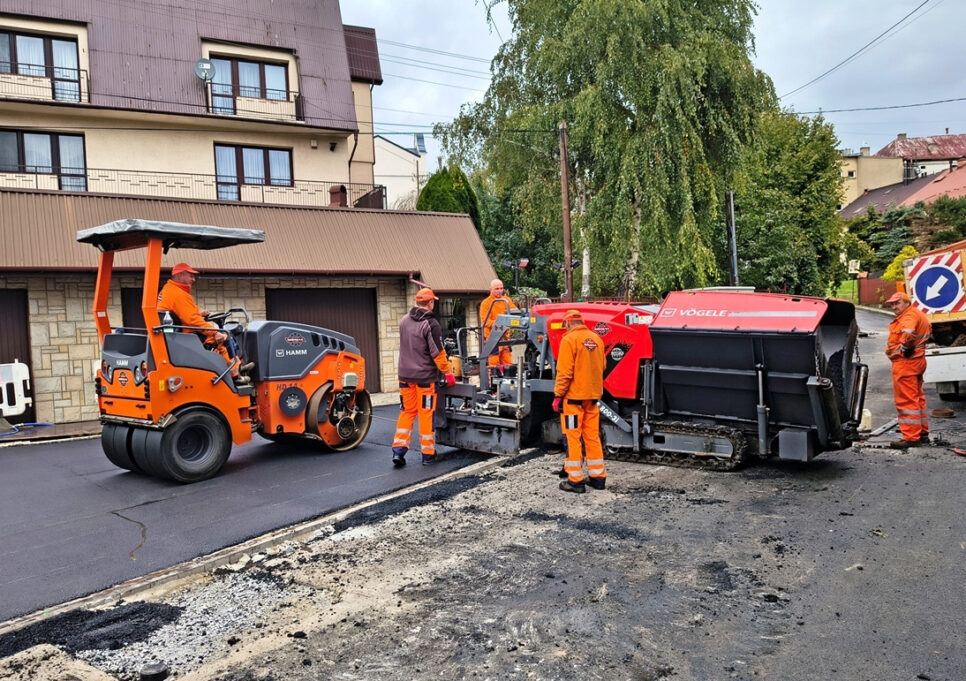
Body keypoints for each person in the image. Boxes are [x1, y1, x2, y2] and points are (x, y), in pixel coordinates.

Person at [392, 287, 456, 467]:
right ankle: (428, 454)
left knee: (407, 412)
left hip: (405, 377)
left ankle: (398, 451)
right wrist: (448, 373)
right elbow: (438, 354)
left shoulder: (404, 320)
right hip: (425, 379)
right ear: (430, 302)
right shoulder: (431, 323)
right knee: (426, 413)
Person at [553, 309, 607, 493]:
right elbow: (603, 366)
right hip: (592, 398)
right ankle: (598, 478)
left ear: (568, 323)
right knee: (592, 437)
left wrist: (558, 395)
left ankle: (575, 480)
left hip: (573, 401)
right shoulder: (596, 339)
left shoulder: (569, 340)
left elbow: (565, 372)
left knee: (573, 437)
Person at [157, 262, 242, 378]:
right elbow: (192, 320)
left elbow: (183, 312)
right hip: (187, 336)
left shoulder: (168, 290)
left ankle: (225, 370)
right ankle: (235, 375)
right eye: (191, 276)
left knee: (219, 341)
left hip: (177, 335)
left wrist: (200, 313)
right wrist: (214, 332)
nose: (193, 279)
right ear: (180, 275)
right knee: (226, 338)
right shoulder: (179, 295)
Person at [884, 291, 931, 448]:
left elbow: (909, 334)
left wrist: (904, 349)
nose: (894, 307)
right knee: (917, 397)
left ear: (907, 303)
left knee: (906, 399)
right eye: (892, 304)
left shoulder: (909, 316)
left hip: (906, 363)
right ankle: (922, 433)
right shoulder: (916, 314)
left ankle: (911, 437)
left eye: (897, 303)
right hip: (916, 360)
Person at [479, 278, 518, 373]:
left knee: (508, 366)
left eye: (501, 288)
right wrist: (500, 323)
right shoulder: (486, 303)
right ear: (491, 289)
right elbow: (485, 321)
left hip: (505, 338)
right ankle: (493, 382)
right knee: (494, 367)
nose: (500, 291)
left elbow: (515, 313)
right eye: (497, 289)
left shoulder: (507, 300)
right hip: (492, 339)